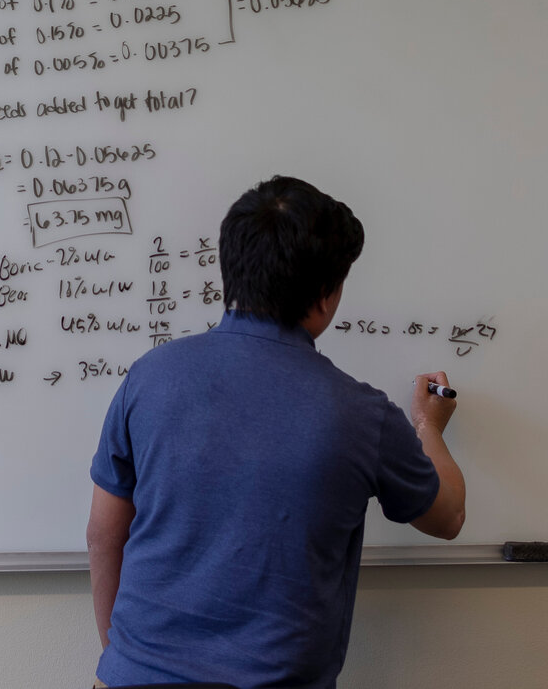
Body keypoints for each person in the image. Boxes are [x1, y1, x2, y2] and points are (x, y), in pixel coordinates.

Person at [87, 176, 466, 689]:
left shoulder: (150, 375)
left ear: (230, 271)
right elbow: (447, 517)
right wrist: (430, 427)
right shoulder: (360, 413)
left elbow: (105, 531)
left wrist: (121, 657)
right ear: (327, 297)